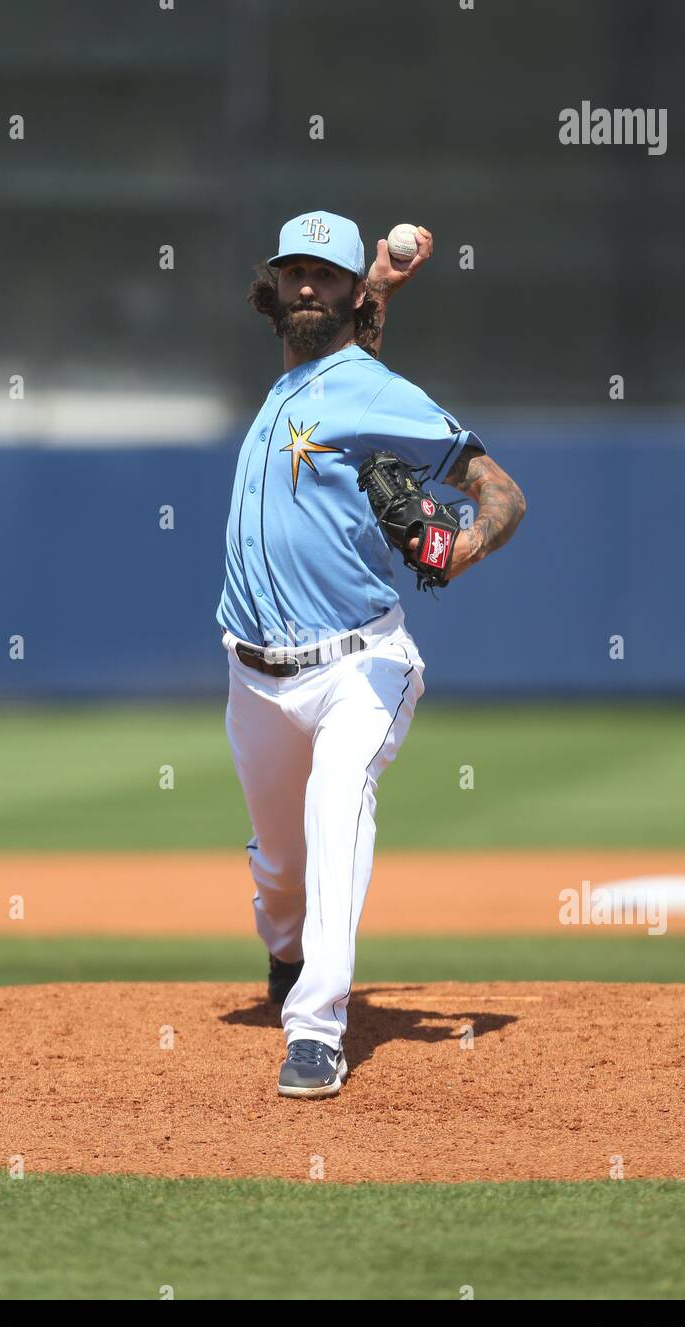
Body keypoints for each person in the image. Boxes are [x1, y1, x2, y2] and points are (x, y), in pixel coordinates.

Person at [216, 210, 526, 1098]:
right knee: (279, 873)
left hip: (360, 664)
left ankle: (316, 1030)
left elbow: (499, 491)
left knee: (337, 802)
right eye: (294, 272)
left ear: (348, 292)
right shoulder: (297, 380)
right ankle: (287, 959)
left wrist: (459, 548)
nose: (306, 285)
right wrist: (379, 290)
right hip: (252, 672)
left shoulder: (374, 389)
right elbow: (337, 348)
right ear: (273, 289)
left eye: (327, 274)